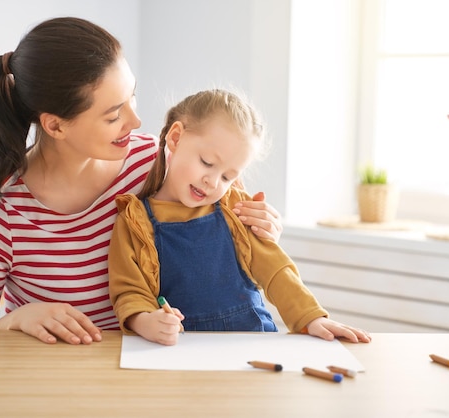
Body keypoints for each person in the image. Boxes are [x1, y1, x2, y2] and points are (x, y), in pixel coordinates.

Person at [0, 17, 283, 345]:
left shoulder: (160, 162)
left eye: (132, 95)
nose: (136, 120)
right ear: (56, 125)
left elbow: (228, 231)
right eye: (114, 114)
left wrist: (260, 228)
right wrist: (16, 320)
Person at [108, 89, 372, 346]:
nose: (212, 182)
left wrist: (310, 317)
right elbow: (130, 292)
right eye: (207, 162)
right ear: (175, 138)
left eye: (227, 176)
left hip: (252, 342)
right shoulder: (134, 221)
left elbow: (276, 271)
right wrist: (146, 322)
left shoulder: (237, 209)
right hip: (183, 352)